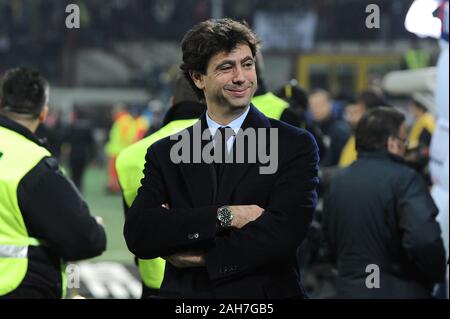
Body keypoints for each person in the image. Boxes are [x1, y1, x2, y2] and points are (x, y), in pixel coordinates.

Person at [124, 18, 319, 298]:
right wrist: (228, 216)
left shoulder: (294, 145)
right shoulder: (165, 153)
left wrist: (201, 254)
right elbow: (141, 233)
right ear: (198, 77)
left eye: (247, 64)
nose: (241, 77)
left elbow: (283, 235)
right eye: (226, 67)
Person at [0, 67, 107, 298]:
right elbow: (85, 240)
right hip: (16, 287)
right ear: (42, 113)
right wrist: (96, 228)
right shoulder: (33, 165)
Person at [323, 107, 446, 298]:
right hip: (399, 289)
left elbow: (330, 237)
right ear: (392, 143)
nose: (406, 147)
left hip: (349, 289)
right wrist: (436, 275)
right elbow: (424, 239)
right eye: (404, 141)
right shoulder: (405, 179)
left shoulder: (338, 180)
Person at [116, 73, 206, 298]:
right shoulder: (239, 145)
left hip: (156, 280)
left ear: (172, 103)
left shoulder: (130, 156)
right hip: (220, 278)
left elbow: (135, 228)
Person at [338, 90, 387, 167]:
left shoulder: (375, 141)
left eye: (355, 112)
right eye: (348, 113)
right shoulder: (355, 136)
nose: (350, 118)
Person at [308, 89, 351, 167]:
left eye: (319, 105)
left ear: (330, 105)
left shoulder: (340, 130)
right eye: (312, 106)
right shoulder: (311, 128)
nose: (315, 109)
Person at [64, 109, 95, 192]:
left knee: (73, 174)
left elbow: (64, 139)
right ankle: (80, 190)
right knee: (81, 175)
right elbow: (91, 143)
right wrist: (92, 157)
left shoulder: (71, 126)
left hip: (73, 154)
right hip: (83, 154)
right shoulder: (87, 127)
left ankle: (74, 190)